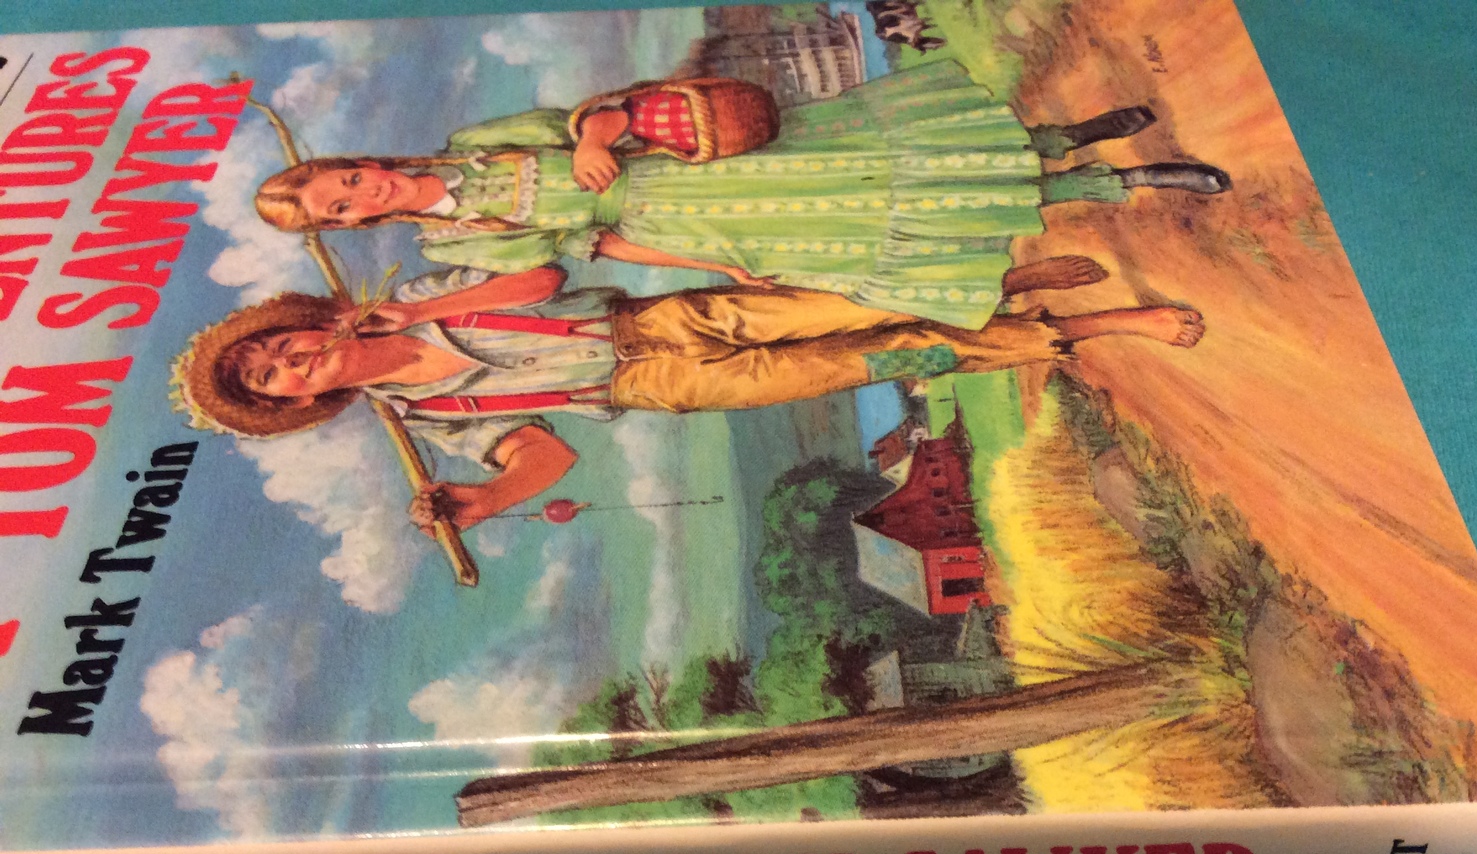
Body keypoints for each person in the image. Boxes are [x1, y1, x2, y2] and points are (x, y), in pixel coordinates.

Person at [175, 265, 1205, 536]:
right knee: (868, 361)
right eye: (273, 379)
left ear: (297, 323)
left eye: (276, 345)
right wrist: (484, 501)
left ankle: (1008, 282)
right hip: (651, 383)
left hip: (656, 317)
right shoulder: (429, 422)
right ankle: (1100, 326)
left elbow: (540, 281)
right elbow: (549, 458)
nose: (289, 361)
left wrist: (415, 311)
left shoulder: (412, 293)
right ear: (297, 405)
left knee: (851, 302)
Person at [253, 62, 1228, 330]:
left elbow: (592, 113)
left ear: (355, 162)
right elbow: (586, 258)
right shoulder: (453, 241)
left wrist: (591, 141)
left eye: (344, 177)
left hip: (701, 161)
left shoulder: (472, 146)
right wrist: (710, 262)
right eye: (342, 208)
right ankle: (1120, 183)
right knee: (896, 210)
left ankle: (1076, 138)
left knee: (897, 160)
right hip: (700, 219)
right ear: (356, 224)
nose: (359, 192)